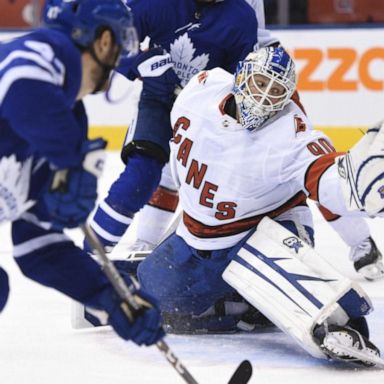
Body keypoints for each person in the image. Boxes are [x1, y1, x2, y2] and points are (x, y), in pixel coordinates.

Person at [85, 0, 383, 282]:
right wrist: (139, 62)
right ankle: (138, 243)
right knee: (165, 163)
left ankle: (360, 241)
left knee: (304, 159)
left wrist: (239, 97)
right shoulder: (158, 7)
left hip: (258, 76)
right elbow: (110, 40)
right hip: (184, 88)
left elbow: (243, 54)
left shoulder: (238, 15)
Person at [137, 46, 384, 366]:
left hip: (265, 227)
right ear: (240, 77)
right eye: (259, 83)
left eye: (277, 90)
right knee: (158, 298)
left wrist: (355, 190)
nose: (265, 97)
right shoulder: (201, 90)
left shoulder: (290, 134)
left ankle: (339, 322)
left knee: (265, 254)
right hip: (202, 234)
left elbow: (324, 180)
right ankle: (242, 306)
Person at [0, 0, 164, 346]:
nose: (120, 61)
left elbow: (38, 247)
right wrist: (70, 160)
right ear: (103, 41)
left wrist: (108, 295)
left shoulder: (68, 125)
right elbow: (21, 81)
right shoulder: (44, 52)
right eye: (120, 47)